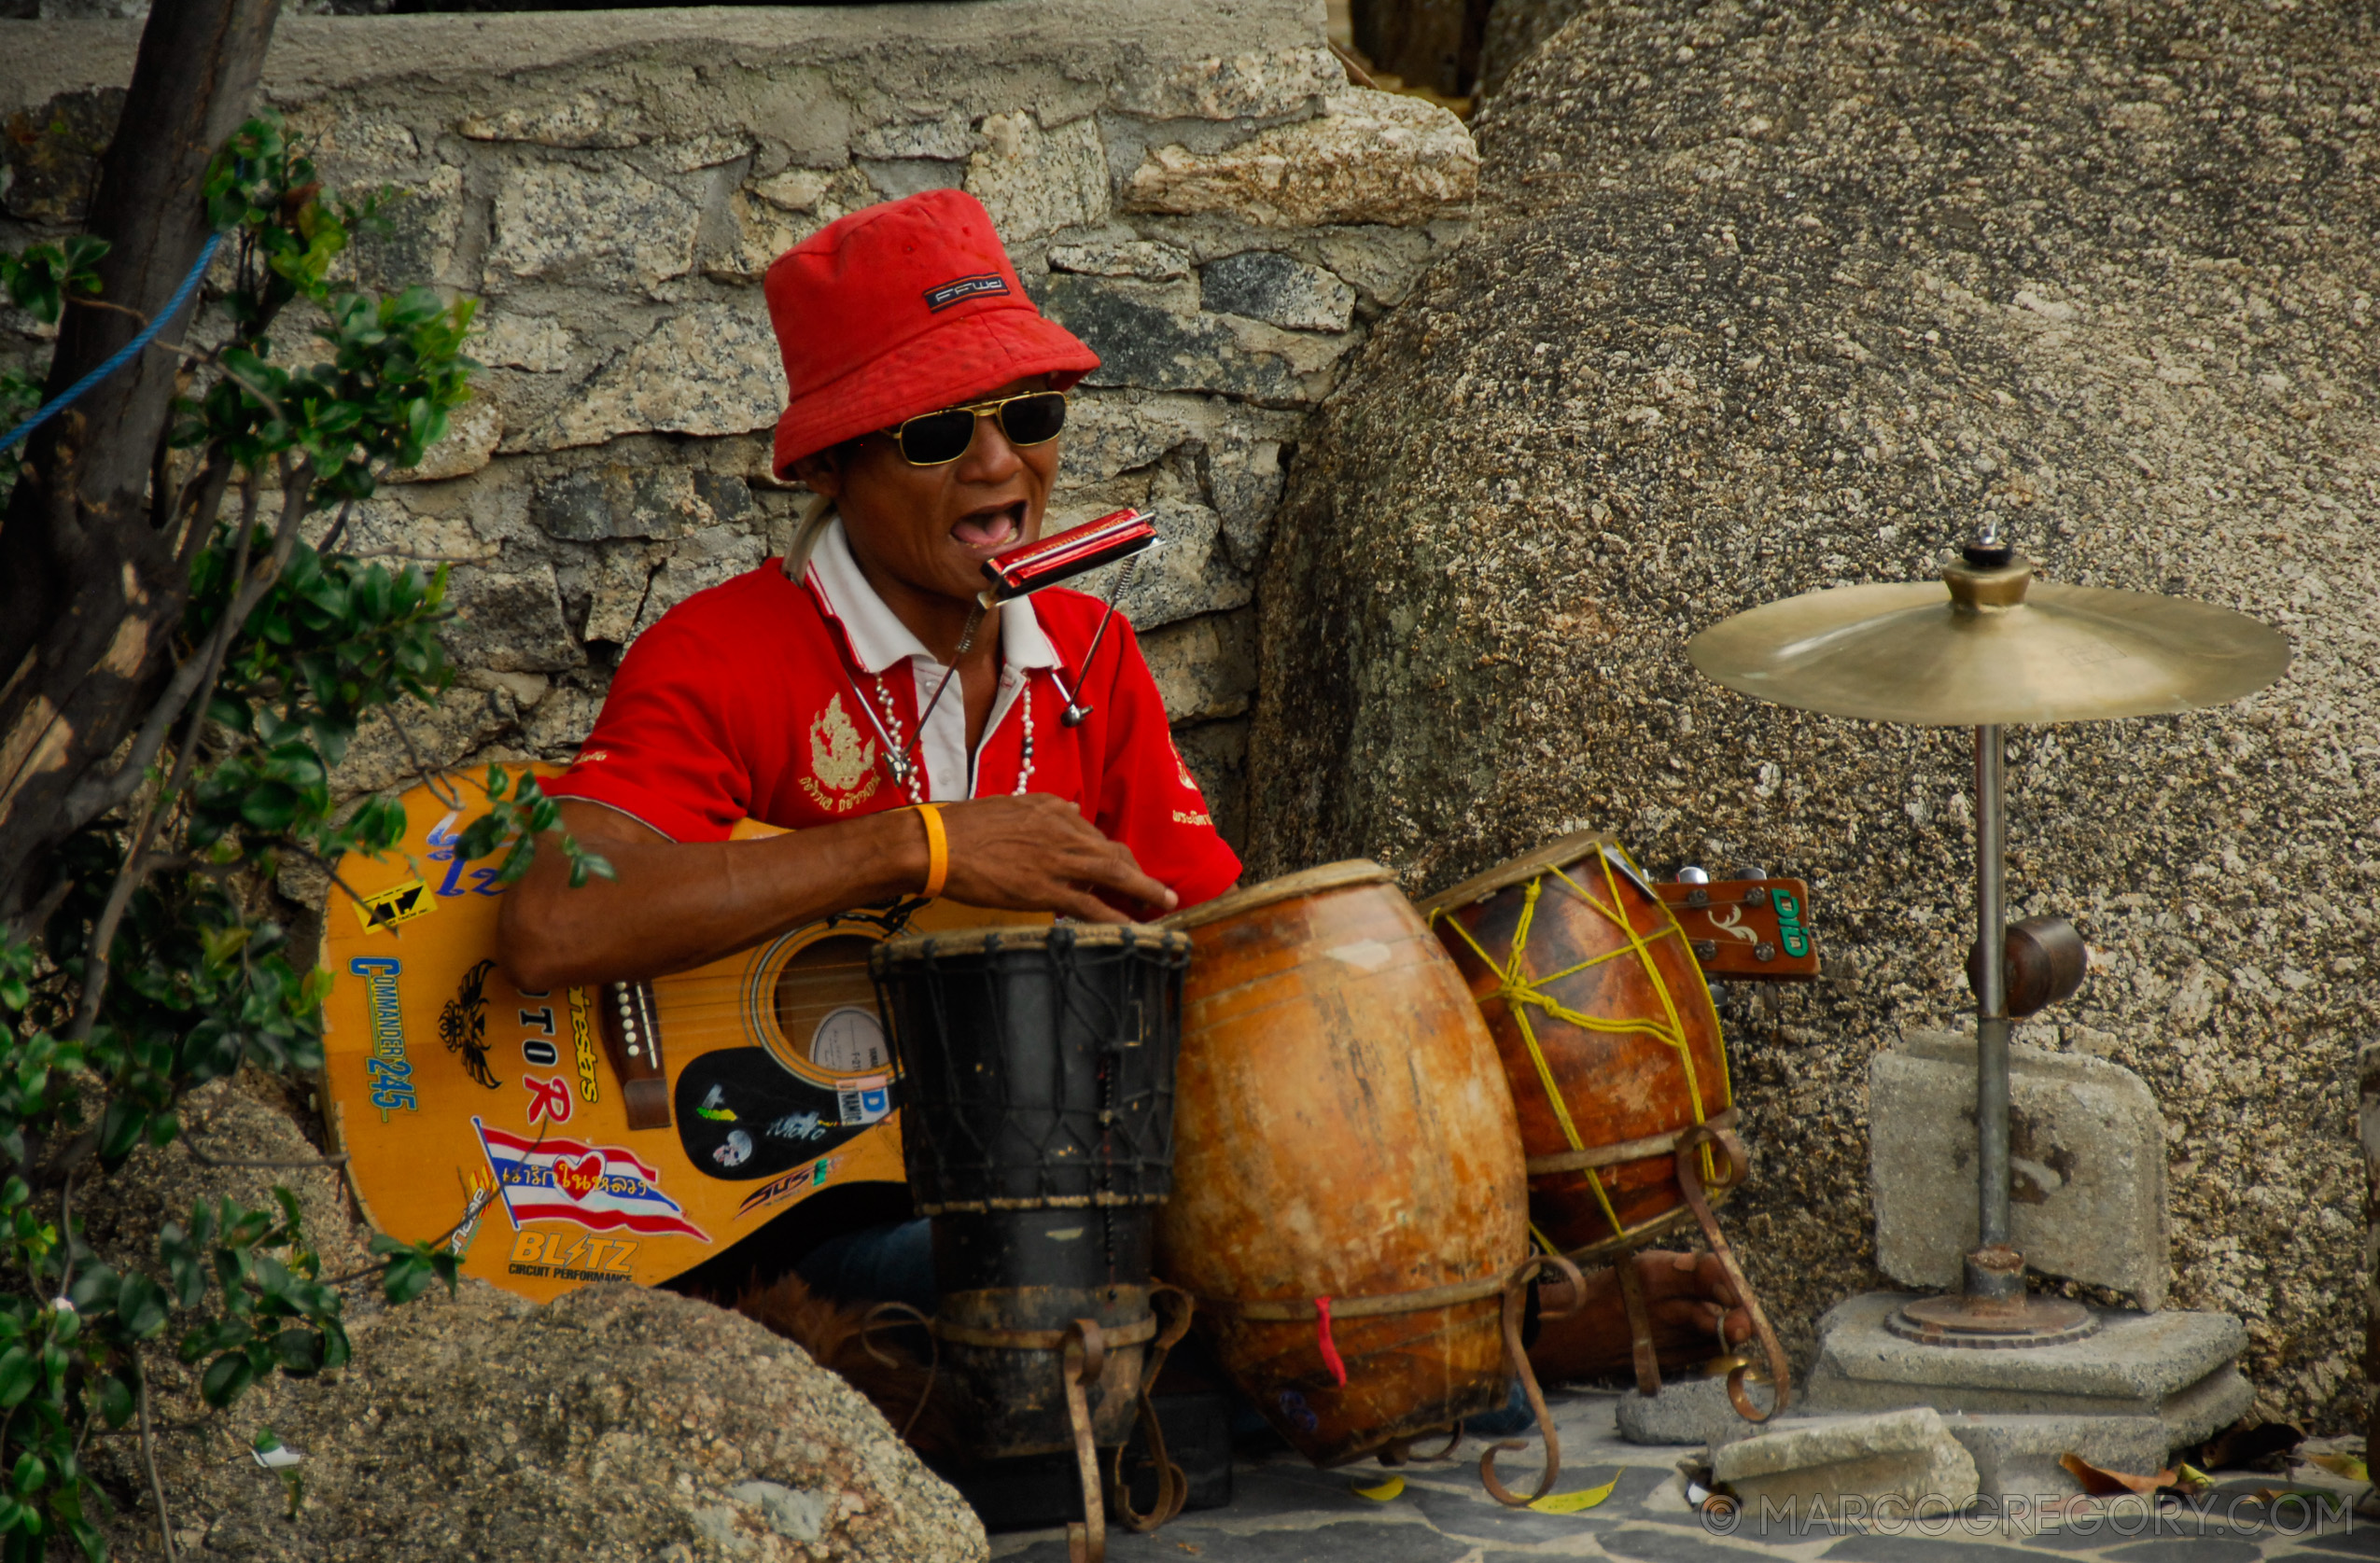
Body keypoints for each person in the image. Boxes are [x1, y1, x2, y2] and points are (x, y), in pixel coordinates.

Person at [493, 188, 1749, 1384]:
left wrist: (1402, 1023)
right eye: (937, 435)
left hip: (1033, 1191)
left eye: (1028, 415)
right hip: (774, 1215)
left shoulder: (1086, 659)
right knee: (1067, 1266)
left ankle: (1483, 1317)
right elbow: (553, 927)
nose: (999, 468)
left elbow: (1216, 957)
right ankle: (1500, 1335)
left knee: (1191, 1205)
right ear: (830, 470)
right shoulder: (723, 654)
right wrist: (916, 848)